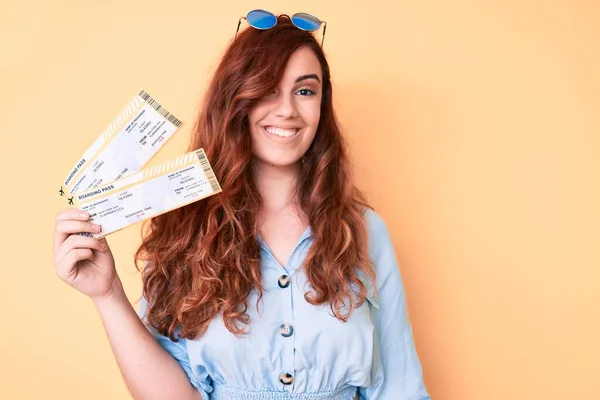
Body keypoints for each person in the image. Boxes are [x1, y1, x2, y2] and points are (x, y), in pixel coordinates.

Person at [52, 11, 430, 400]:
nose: (286, 110)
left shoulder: (363, 231)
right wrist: (107, 292)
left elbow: (399, 387)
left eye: (305, 90)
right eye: (267, 88)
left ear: (322, 105)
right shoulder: (184, 230)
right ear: (236, 98)